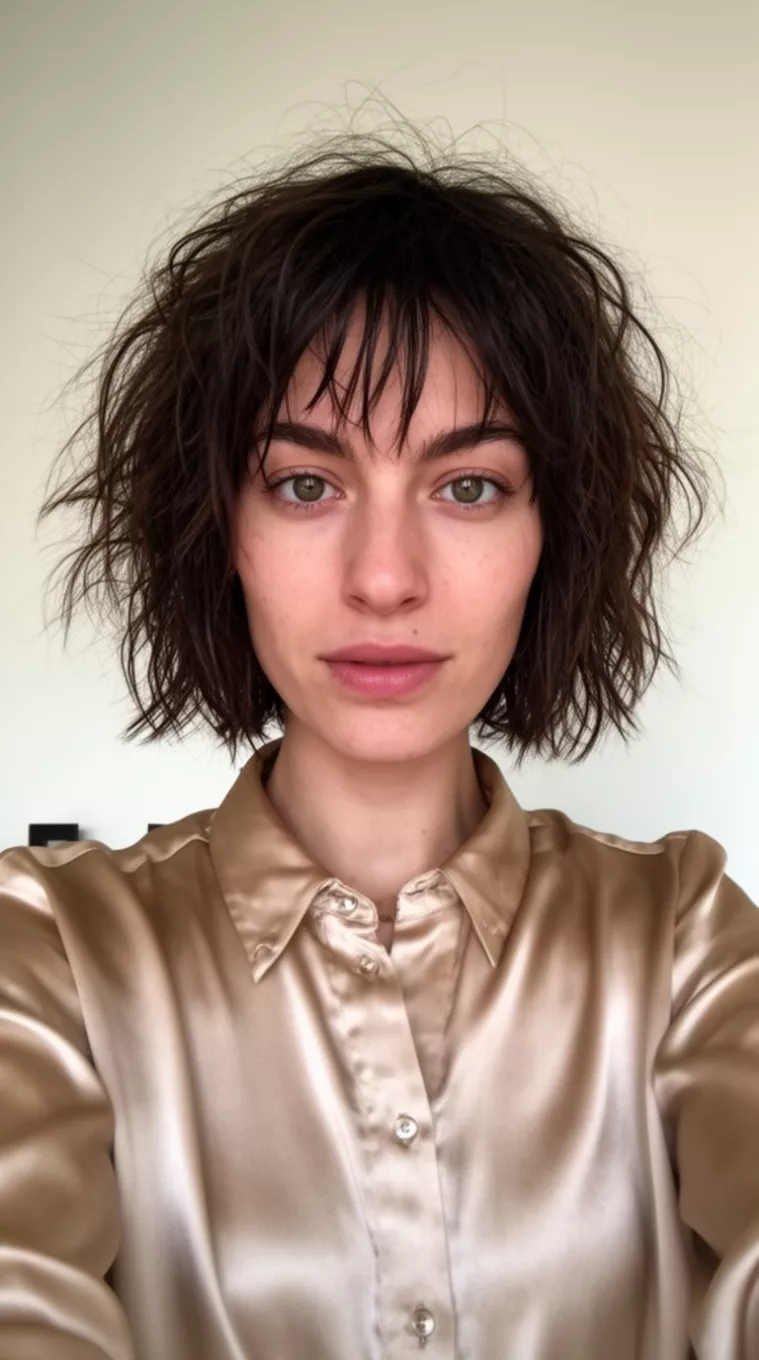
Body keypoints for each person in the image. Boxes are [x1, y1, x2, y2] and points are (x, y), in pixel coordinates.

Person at [0, 130, 756, 1360]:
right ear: (218, 526)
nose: (386, 578)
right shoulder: (49, 951)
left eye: (469, 487)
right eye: (306, 484)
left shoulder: (680, 933)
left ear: (550, 536)